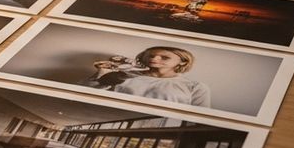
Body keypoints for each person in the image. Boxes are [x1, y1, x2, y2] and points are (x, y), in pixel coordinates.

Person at [82, 46, 211, 107]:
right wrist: (102, 74)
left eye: (164, 57)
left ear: (183, 62)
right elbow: (84, 93)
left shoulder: (195, 87)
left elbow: (200, 116)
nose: (154, 59)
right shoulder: (122, 75)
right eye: (151, 56)